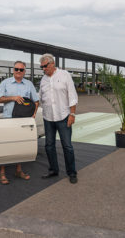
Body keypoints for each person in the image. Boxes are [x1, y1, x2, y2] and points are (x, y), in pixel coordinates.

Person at [0, 61, 39, 185]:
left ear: (25, 71)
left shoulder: (29, 84)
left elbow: (36, 101)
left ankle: (18, 170)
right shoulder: (5, 83)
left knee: (20, 144)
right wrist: (13, 97)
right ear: (13, 70)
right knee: (5, 145)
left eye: (21, 70)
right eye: (16, 69)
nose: (19, 71)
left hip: (23, 120)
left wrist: (34, 114)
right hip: (8, 119)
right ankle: (2, 172)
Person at [39, 54, 79, 184]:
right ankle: (53, 170)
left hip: (63, 116)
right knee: (49, 146)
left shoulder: (64, 75)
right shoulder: (43, 80)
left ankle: (72, 172)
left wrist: (72, 114)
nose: (44, 69)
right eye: (42, 67)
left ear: (52, 64)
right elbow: (40, 98)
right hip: (48, 117)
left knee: (67, 146)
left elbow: (72, 95)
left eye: (45, 66)